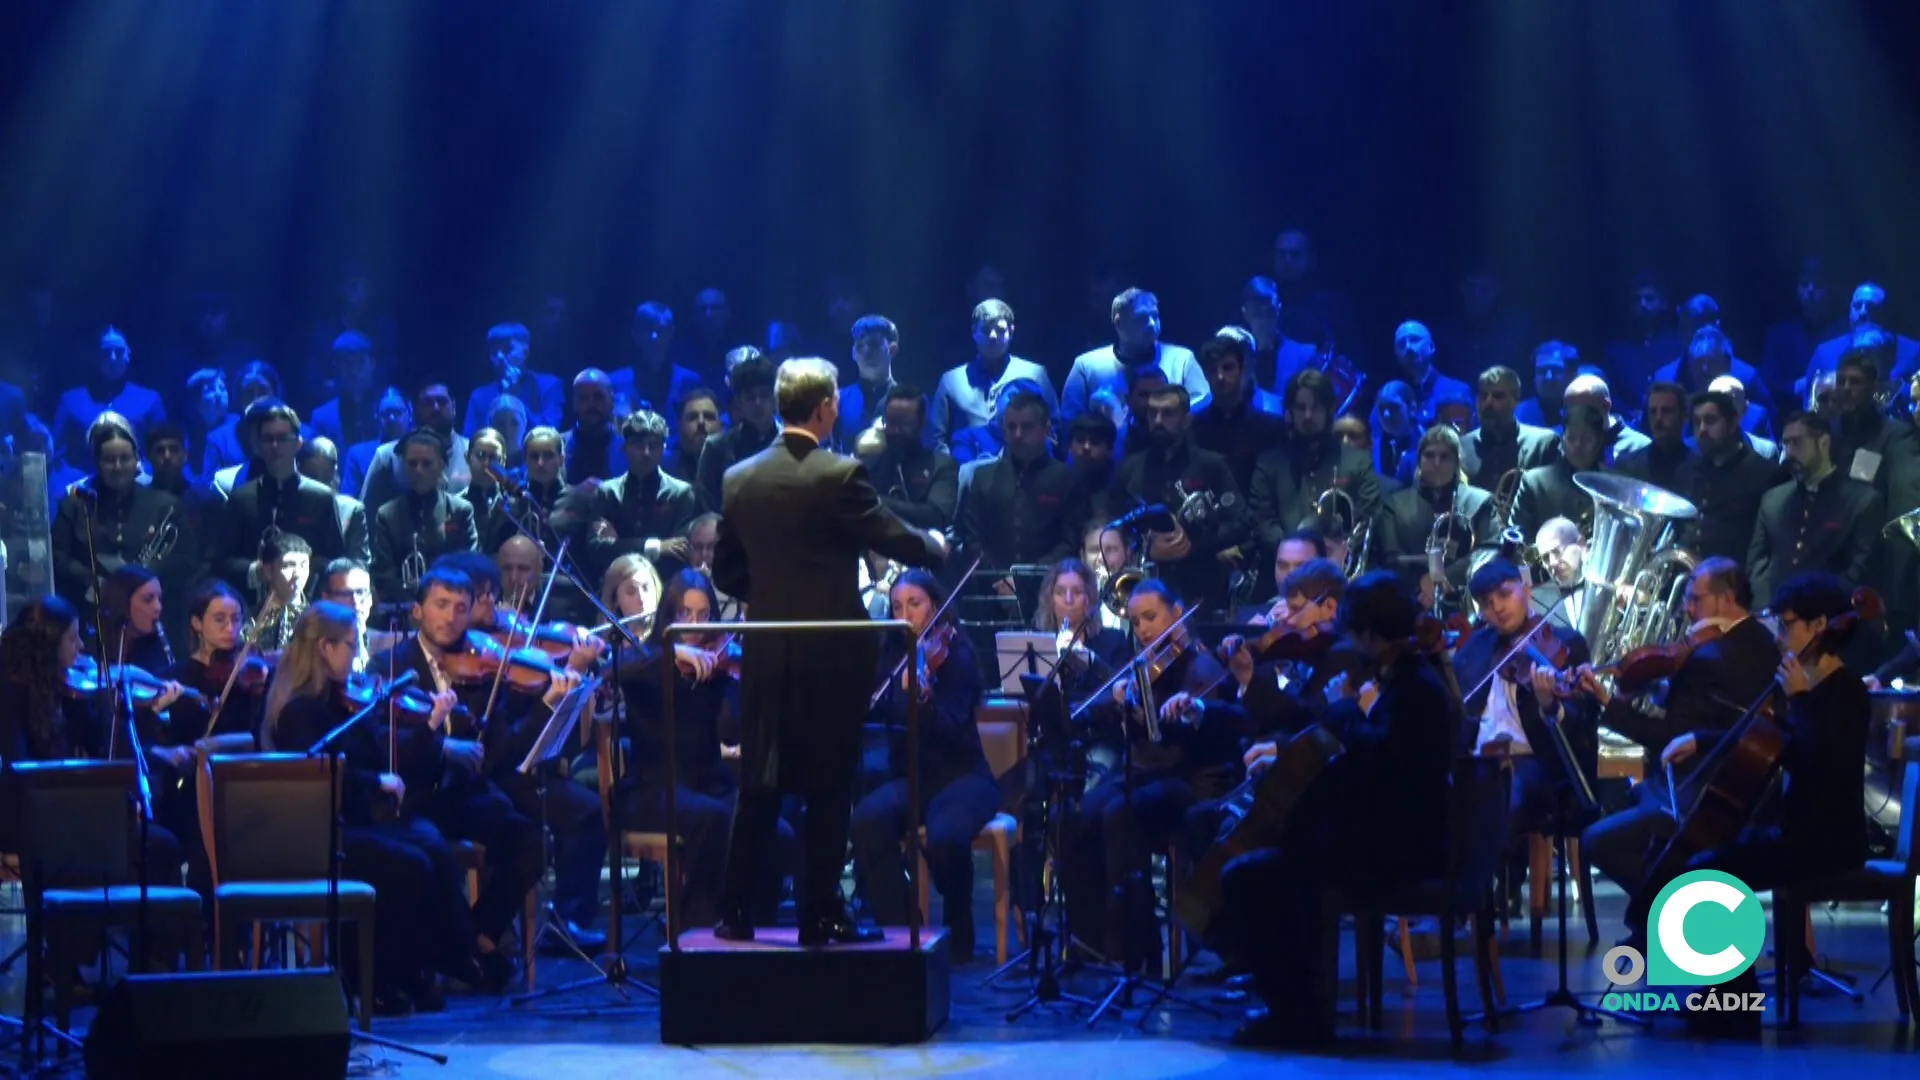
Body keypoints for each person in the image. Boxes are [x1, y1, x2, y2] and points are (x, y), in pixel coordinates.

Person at [710, 356, 949, 944]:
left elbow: (725, 571)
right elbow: (888, 535)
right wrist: (933, 546)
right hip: (831, 657)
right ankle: (821, 914)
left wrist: (770, 598)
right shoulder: (840, 475)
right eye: (836, 401)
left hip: (766, 655)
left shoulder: (739, 478)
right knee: (827, 788)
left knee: (760, 785)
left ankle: (735, 913)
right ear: (823, 408)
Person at [1222, 571, 1463, 1047]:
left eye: (1354, 633)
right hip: (1393, 837)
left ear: (1370, 634)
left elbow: (1377, 759)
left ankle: (1297, 1015)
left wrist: (1345, 708)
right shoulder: (1411, 677)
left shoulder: (1414, 688)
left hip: (1397, 852)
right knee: (1285, 857)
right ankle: (1304, 1001)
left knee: (1249, 876)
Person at [1624, 572, 1871, 1031]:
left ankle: (1734, 1010)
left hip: (1830, 840)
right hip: (1799, 831)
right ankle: (1716, 999)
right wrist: (1701, 738)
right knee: (1705, 860)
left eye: (1788, 624)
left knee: (1708, 870)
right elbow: (1774, 741)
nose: (1780, 635)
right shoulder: (1808, 683)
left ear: (1820, 625)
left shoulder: (1846, 691)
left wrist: (1799, 701)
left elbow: (1822, 767)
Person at [260, 602, 496, 1011]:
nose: (357, 656)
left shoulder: (340, 702)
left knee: (432, 847)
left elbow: (374, 752)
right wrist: (375, 780)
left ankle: (432, 965)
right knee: (409, 863)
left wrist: (421, 732)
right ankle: (374, 979)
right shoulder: (301, 710)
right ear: (323, 648)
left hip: (353, 821)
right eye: (351, 646)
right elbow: (318, 772)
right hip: (319, 833)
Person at [1572, 558, 1781, 944]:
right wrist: (1660, 689)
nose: (1687, 609)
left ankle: (1671, 922)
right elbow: (1718, 712)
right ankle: (1657, 927)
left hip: (1697, 795)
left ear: (1726, 599)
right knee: (1633, 807)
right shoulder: (1765, 642)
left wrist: (1606, 701)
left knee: (1597, 839)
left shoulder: (1708, 657)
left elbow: (1665, 736)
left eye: (1694, 599)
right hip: (1750, 791)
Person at [368, 567, 557, 991]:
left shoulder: (485, 667)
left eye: (461, 608)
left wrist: (546, 705)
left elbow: (502, 753)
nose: (452, 617)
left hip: (465, 794)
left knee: (534, 841)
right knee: (431, 855)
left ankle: (474, 936)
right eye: (441, 605)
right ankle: (464, 953)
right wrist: (441, 744)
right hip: (416, 796)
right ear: (418, 611)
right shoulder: (390, 667)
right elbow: (387, 746)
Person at [1063, 579, 1235, 969]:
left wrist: (1148, 715)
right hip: (1147, 773)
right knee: (1078, 815)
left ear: (1177, 614)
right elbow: (1140, 731)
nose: (1142, 629)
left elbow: (1184, 738)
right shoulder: (1147, 666)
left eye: (1151, 618)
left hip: (1189, 780)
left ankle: (1139, 947)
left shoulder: (1201, 665)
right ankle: (1093, 938)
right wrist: (1119, 704)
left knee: (1119, 815)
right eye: (1136, 621)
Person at [616, 569, 792, 928]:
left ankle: (755, 926)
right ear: (669, 616)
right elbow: (614, 671)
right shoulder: (646, 659)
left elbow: (729, 732)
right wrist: (670, 651)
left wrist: (733, 682)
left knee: (778, 832)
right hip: (654, 789)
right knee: (713, 820)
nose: (694, 625)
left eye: (702, 615)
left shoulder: (719, 664)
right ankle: (695, 926)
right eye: (684, 615)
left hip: (709, 784)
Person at [850, 570, 1000, 956]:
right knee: (866, 820)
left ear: (934, 605)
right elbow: (878, 711)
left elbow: (950, 727)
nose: (905, 614)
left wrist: (923, 701)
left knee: (946, 837)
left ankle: (958, 927)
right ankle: (904, 929)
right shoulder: (891, 655)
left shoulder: (956, 655)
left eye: (914, 604)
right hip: (913, 777)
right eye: (898, 607)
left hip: (962, 777)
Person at [1450, 560, 1596, 832]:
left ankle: (1495, 874)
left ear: (1527, 590)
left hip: (1534, 763)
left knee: (1497, 801)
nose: (1497, 608)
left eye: (1504, 595)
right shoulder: (1475, 648)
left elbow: (1582, 725)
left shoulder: (1566, 643)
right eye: (1486, 602)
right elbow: (1458, 711)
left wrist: (1549, 705)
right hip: (1479, 759)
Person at [163, 580, 269, 746]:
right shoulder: (175, 677)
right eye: (220, 620)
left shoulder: (249, 672)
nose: (230, 628)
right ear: (197, 623)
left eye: (236, 619)